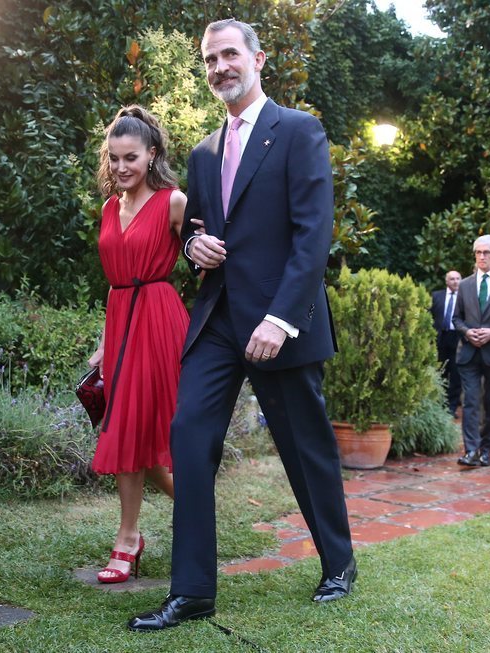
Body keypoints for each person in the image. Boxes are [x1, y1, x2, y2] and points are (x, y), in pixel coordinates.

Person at [128, 19, 355, 632]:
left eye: (230, 54)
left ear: (258, 60)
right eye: (209, 59)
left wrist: (281, 320)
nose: (219, 67)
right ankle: (193, 592)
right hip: (219, 321)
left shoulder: (299, 130)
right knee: (189, 437)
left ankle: (338, 563)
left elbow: (314, 236)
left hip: (280, 320)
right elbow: (198, 231)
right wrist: (192, 250)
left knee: (304, 449)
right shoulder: (204, 151)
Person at [87, 105, 189, 583]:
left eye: (131, 157)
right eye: (114, 159)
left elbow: (206, 256)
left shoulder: (174, 201)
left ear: (151, 154)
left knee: (152, 432)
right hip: (121, 321)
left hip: (161, 320)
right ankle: (132, 536)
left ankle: (186, 513)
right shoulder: (109, 207)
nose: (121, 167)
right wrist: (106, 344)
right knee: (126, 429)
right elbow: (113, 281)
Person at [452, 235, 490, 467]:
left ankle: (486, 450)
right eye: (478, 252)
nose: (482, 257)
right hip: (469, 352)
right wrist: (467, 332)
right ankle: (471, 450)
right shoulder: (465, 284)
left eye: (486, 252)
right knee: (470, 402)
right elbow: (456, 318)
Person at [431, 270, 463, 415]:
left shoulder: (465, 297)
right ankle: (439, 405)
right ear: (446, 281)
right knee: (440, 372)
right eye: (452, 279)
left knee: (456, 374)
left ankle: (452, 407)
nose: (455, 281)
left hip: (458, 337)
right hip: (440, 337)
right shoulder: (436, 296)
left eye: (458, 279)